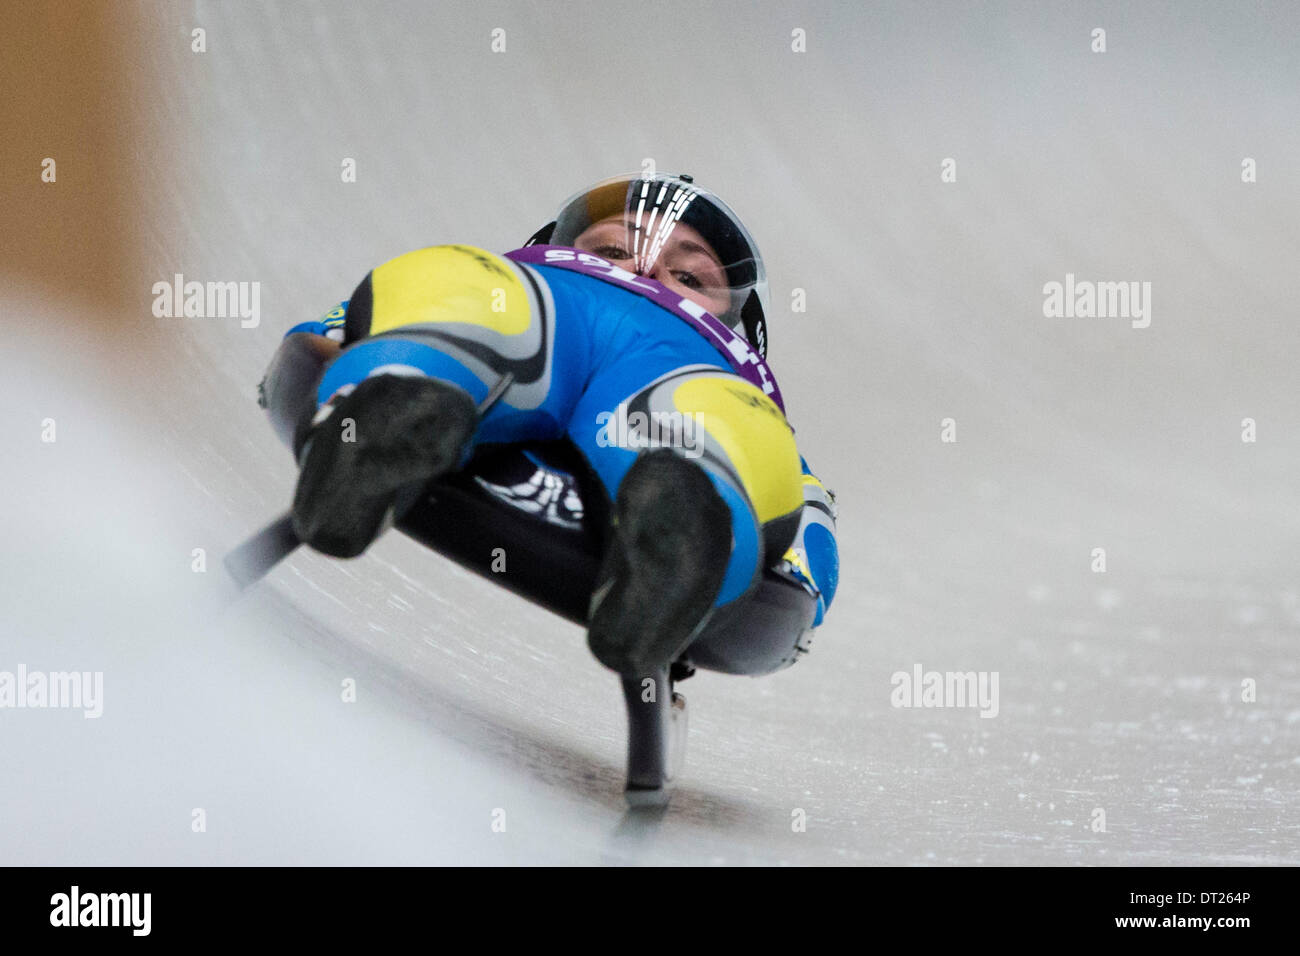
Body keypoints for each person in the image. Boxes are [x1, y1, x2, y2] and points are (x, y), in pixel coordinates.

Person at [267, 172, 838, 680]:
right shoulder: (535, 275)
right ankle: (403, 404)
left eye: (690, 275)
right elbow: (349, 320)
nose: (645, 269)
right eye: (615, 246)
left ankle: (684, 528)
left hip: (689, 357)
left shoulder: (728, 368)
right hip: (551, 296)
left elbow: (803, 503)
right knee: (470, 288)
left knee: (723, 418)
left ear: (744, 330)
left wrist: (796, 580)